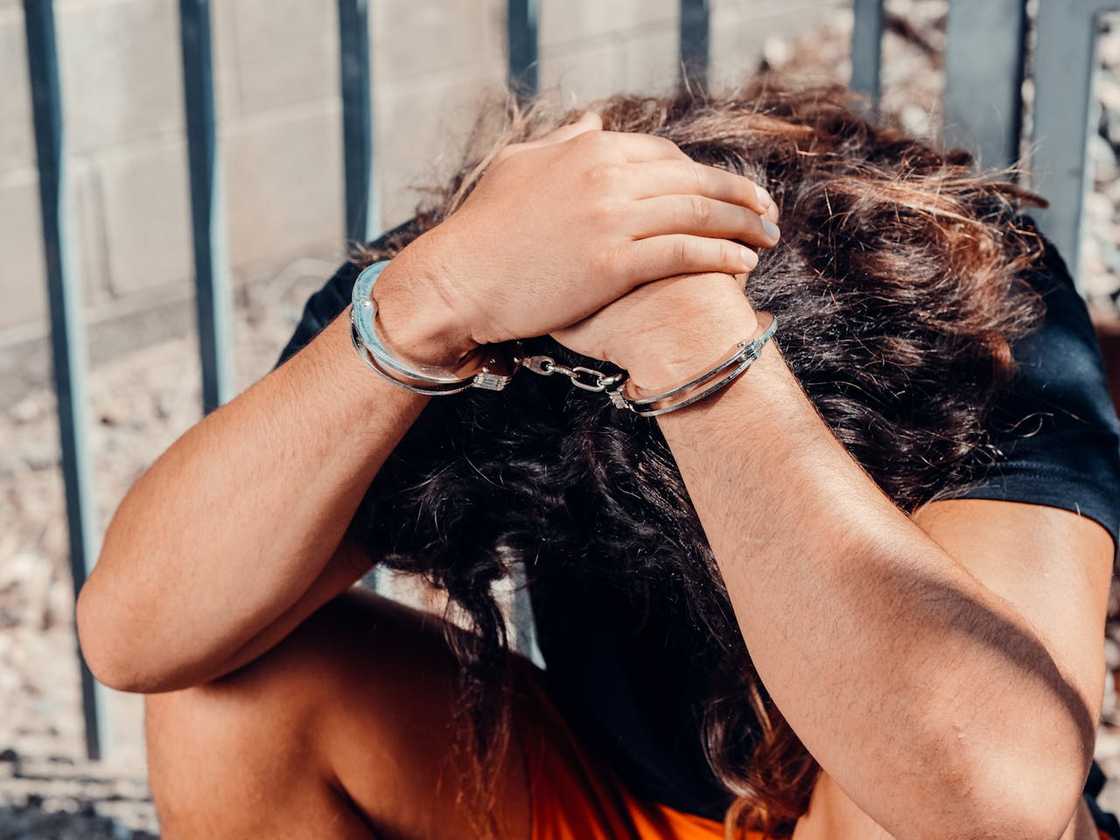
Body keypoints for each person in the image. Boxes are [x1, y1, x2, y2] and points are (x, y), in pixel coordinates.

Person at [76, 80, 1120, 840]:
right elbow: (136, 635)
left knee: (911, 803)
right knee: (233, 692)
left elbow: (995, 801)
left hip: (867, 810)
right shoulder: (496, 275)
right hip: (624, 800)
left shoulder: (969, 300)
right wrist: (431, 303)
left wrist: (700, 354)